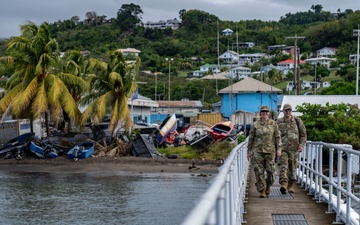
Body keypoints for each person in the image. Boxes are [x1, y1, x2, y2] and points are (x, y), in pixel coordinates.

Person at [247, 105, 282, 198]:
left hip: (270, 151)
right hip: (257, 151)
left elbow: (278, 137)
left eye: (266, 112)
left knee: (271, 171)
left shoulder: (273, 124)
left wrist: (279, 149)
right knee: (258, 172)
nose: (264, 114)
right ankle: (262, 190)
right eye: (263, 112)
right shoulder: (255, 124)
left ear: (269, 113)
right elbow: (251, 138)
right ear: (260, 113)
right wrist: (249, 151)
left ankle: (268, 185)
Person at [276, 103, 307, 194]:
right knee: (283, 166)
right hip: (283, 148)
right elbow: (275, 135)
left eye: (289, 110)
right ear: (283, 111)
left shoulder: (297, 121)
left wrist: (301, 145)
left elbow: (303, 134)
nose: (288, 112)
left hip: (294, 149)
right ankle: (284, 184)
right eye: (286, 110)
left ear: (291, 111)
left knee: (292, 168)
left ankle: (291, 185)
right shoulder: (278, 122)